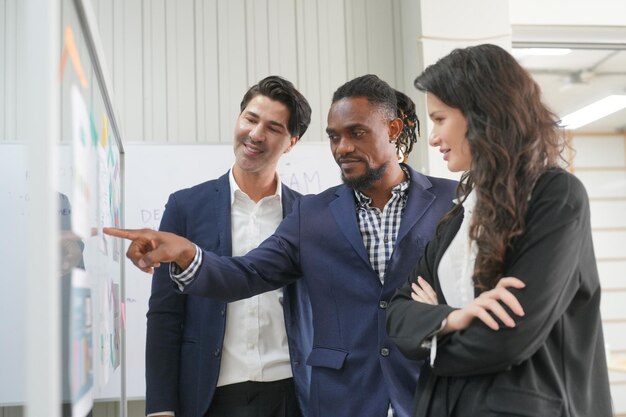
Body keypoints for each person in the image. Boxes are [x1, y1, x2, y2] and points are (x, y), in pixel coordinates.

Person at [106, 74, 457, 417]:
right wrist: (186, 253)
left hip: (430, 391)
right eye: (334, 137)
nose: (342, 148)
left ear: (393, 131)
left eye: (357, 133)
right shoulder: (313, 216)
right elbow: (246, 273)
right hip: (344, 400)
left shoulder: (452, 201)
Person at [385, 44, 614, 417]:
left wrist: (432, 339)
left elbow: (510, 337)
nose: (432, 137)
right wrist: (454, 317)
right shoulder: (459, 212)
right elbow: (396, 313)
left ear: (481, 114)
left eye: (440, 119)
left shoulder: (554, 197)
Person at [145, 76, 314, 417]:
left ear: (291, 142)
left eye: (273, 127)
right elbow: (165, 314)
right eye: (250, 119)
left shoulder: (308, 214)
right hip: (211, 395)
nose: (255, 134)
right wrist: (160, 406)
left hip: (293, 393)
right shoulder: (186, 207)